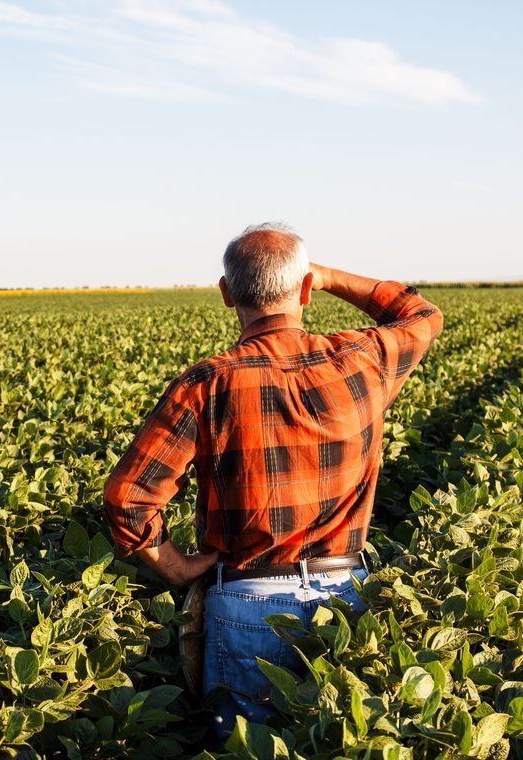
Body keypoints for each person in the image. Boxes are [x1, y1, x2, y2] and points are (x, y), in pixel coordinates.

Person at [102, 222, 443, 735]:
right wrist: (327, 276)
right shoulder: (362, 360)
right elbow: (421, 314)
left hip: (245, 602)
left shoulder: (207, 383)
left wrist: (174, 568)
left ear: (226, 294)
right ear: (306, 289)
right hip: (346, 601)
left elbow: (128, 498)